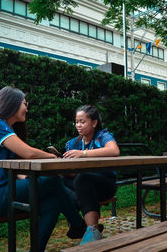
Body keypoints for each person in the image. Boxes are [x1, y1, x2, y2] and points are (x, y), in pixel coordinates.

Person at [0, 86, 86, 251]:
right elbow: (28, 153)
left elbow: (13, 168)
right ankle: (78, 224)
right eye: (24, 103)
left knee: (53, 203)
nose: (26, 108)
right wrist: (52, 157)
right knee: (53, 180)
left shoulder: (5, 129)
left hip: (1, 192)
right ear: (11, 104)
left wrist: (24, 178)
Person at [63, 105, 120, 245]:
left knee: (83, 178)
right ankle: (86, 227)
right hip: (82, 185)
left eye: (82, 121)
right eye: (76, 122)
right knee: (55, 180)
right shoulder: (73, 143)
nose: (78, 125)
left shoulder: (102, 136)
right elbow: (72, 173)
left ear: (94, 123)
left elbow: (114, 151)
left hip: (104, 184)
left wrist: (83, 154)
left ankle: (90, 229)